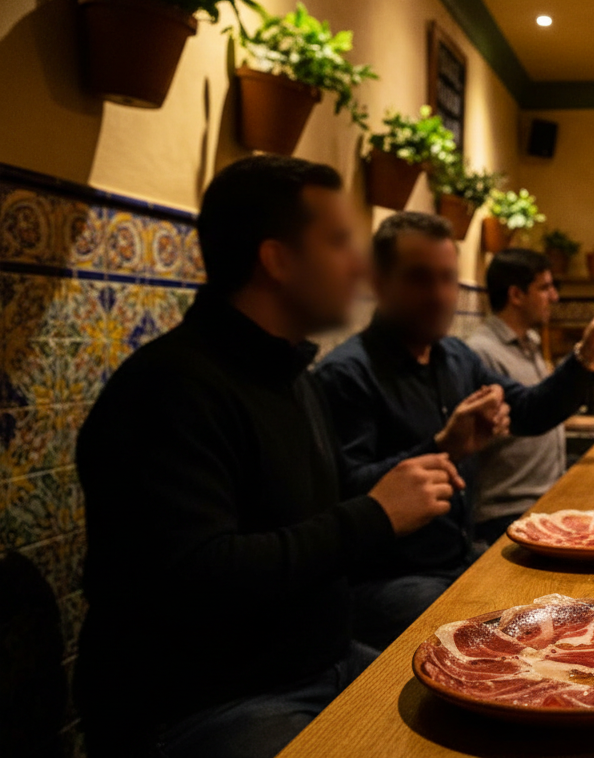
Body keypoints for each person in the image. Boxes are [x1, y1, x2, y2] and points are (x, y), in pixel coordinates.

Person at [75, 157, 465, 758]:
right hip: (209, 701)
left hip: (322, 664)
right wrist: (376, 514)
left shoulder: (290, 375)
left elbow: (315, 511)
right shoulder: (168, 389)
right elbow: (200, 575)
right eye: (338, 242)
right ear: (278, 260)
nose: (360, 266)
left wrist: (394, 492)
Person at [314, 213, 594, 648]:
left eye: (448, 279)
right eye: (419, 278)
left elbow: (528, 411)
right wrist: (442, 447)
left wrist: (586, 356)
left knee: (574, 611)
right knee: (521, 640)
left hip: (459, 556)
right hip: (390, 580)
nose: (439, 294)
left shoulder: (453, 357)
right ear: (379, 283)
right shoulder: (347, 374)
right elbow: (342, 494)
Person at [466, 249, 566, 547]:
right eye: (545, 288)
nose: (554, 297)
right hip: (506, 510)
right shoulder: (481, 351)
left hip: (544, 500)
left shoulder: (531, 342)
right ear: (516, 295)